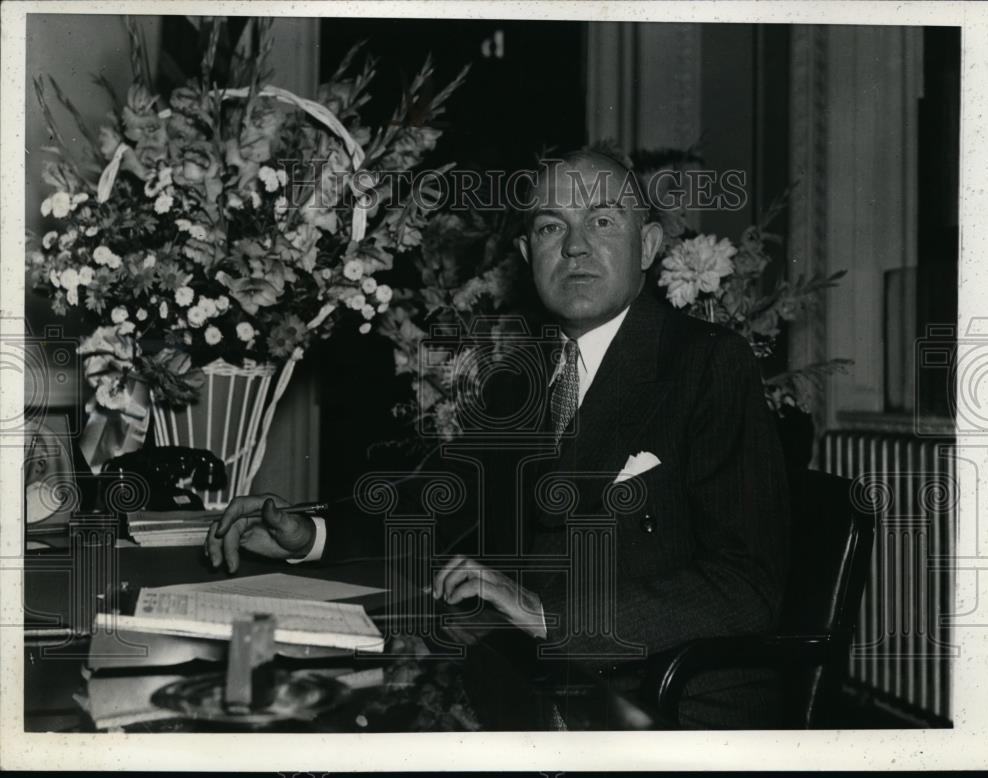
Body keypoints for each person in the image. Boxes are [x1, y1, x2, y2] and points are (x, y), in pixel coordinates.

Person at [207, 148, 791, 727]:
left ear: (649, 246)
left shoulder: (707, 364)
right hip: (531, 683)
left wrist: (548, 614)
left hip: (658, 705)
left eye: (603, 221)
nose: (575, 246)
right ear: (525, 253)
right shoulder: (522, 377)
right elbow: (438, 502)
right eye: (549, 227)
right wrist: (310, 534)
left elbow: (746, 584)